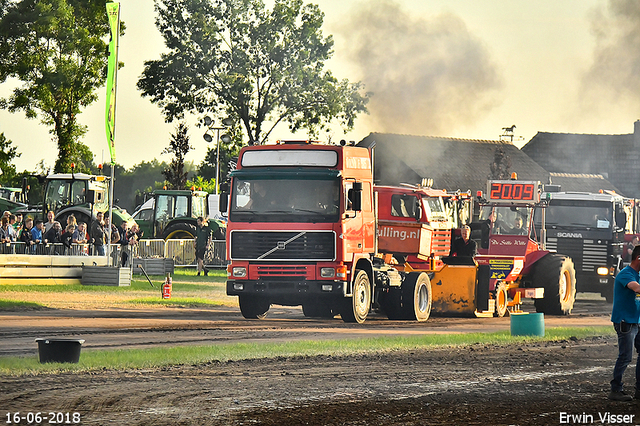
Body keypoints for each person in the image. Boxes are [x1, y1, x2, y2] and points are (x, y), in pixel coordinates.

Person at [608, 244, 640, 401]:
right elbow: (636, 288)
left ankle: (639, 389)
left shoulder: (638, 274)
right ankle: (616, 389)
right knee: (626, 356)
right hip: (625, 322)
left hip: (636, 321)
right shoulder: (626, 274)